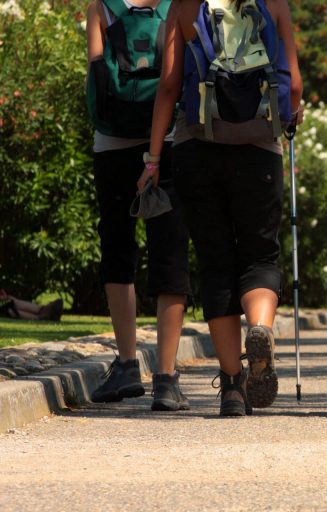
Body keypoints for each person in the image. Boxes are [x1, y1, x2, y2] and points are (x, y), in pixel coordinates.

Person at [144, 0, 303, 417]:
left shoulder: (183, 7)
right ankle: (261, 329)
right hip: (258, 148)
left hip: (198, 146)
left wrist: (154, 158)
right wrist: (289, 115)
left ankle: (233, 387)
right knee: (260, 254)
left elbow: (167, 86)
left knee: (216, 263)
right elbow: (295, 84)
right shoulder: (273, 5)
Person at [86, 0, 192, 411]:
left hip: (111, 143)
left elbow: (97, 73)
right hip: (165, 143)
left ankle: (128, 364)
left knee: (117, 246)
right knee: (170, 250)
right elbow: (175, 76)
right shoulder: (176, 8)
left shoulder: (102, 7)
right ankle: (166, 377)